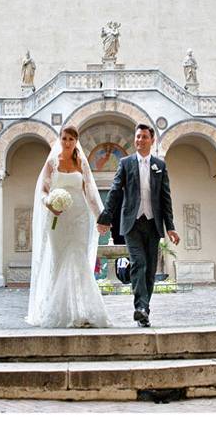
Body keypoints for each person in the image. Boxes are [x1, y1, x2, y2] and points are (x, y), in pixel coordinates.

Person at [26, 126, 111, 328]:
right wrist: (50, 204)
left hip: (79, 216)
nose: (67, 142)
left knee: (78, 258)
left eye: (71, 139)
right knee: (60, 258)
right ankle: (58, 311)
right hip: (58, 217)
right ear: (60, 139)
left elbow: (90, 193)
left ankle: (85, 310)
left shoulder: (81, 162)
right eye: (64, 138)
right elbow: (43, 191)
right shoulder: (52, 163)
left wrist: (100, 217)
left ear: (76, 141)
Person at [97, 124, 180, 327]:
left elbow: (165, 198)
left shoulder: (160, 165)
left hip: (153, 224)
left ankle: (145, 311)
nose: (140, 140)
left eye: (144, 137)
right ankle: (139, 308)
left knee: (150, 270)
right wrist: (105, 217)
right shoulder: (126, 163)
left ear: (152, 140)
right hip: (132, 223)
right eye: (137, 137)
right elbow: (115, 191)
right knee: (139, 264)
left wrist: (170, 226)